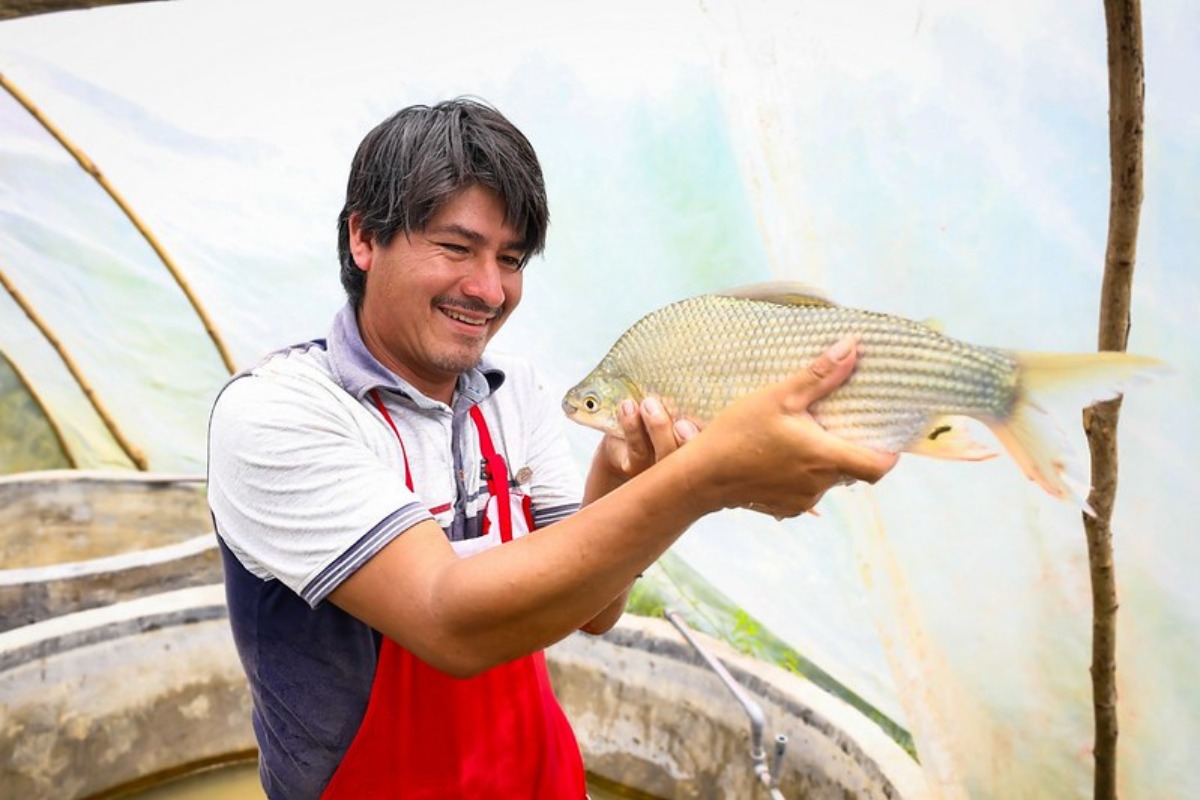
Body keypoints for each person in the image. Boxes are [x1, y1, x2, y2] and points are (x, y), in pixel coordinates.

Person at [206, 97, 897, 799]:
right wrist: (702, 479)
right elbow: (448, 622)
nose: (488, 290)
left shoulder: (516, 391)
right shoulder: (278, 412)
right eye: (457, 248)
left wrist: (627, 471)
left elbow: (595, 610)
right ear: (364, 238)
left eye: (510, 259)